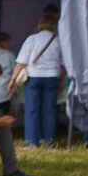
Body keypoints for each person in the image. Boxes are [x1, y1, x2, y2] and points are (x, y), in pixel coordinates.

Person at [15, 14, 63, 148]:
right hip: (52, 77)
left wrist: (13, 79)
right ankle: (48, 140)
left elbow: (21, 61)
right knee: (50, 110)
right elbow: (63, 65)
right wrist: (60, 82)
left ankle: (31, 142)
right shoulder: (58, 41)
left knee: (31, 110)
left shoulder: (32, 39)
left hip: (33, 77)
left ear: (40, 25)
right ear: (54, 26)